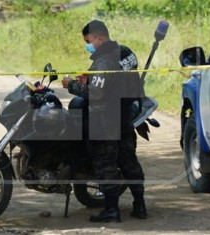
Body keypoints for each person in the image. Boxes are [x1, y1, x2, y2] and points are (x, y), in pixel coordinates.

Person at [62, 20, 147, 223]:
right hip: (125, 115)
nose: (87, 45)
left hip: (104, 119)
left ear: (99, 38)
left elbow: (96, 94)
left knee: (105, 165)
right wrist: (91, 77)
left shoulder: (103, 61)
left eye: (88, 41)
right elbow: (115, 79)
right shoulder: (126, 52)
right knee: (129, 162)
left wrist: (72, 85)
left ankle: (111, 210)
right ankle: (140, 206)